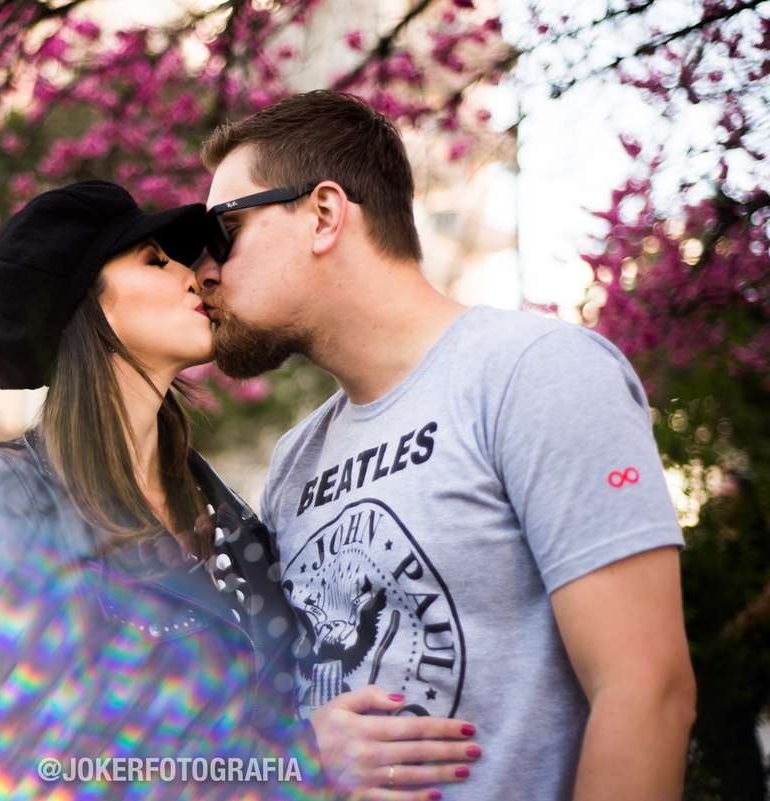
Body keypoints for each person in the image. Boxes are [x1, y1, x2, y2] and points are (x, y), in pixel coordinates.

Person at [193, 90, 697, 801]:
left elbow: (647, 691)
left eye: (224, 230)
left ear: (324, 214)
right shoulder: (294, 461)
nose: (205, 270)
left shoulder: (537, 373)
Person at [0, 180, 481, 799]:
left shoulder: (227, 517)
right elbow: (4, 747)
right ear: (92, 306)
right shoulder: (9, 491)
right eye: (155, 261)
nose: (193, 275)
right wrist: (298, 758)